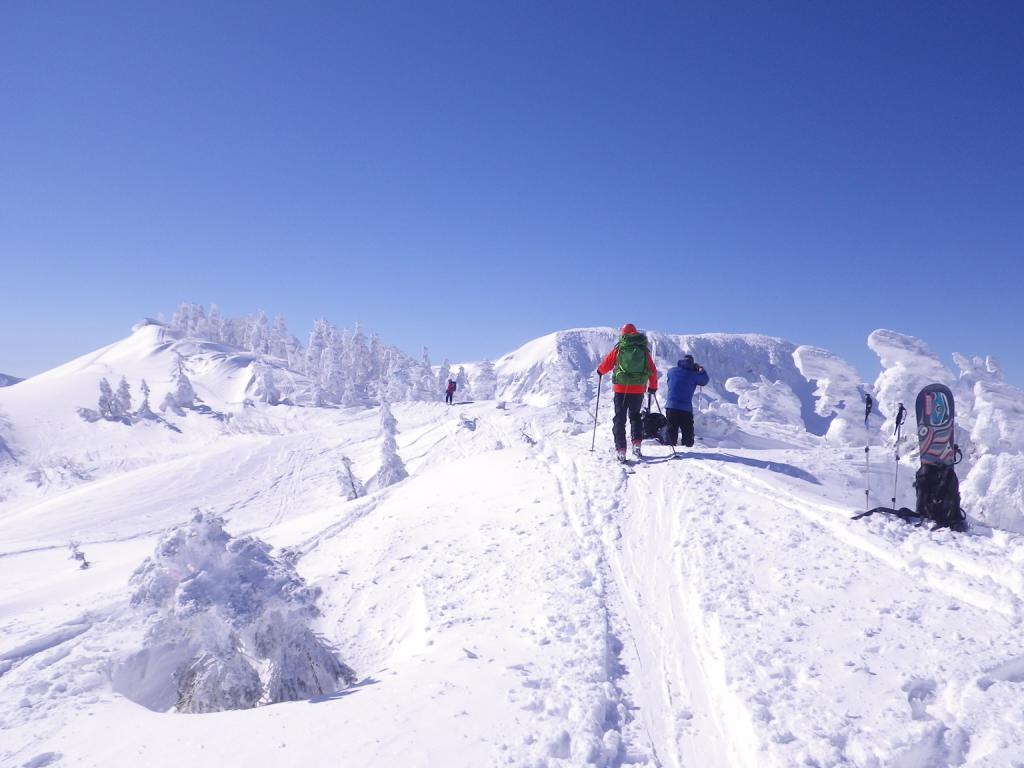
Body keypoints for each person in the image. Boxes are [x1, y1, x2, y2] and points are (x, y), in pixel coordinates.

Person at [596, 324, 658, 461]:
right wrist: (652, 386)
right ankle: (636, 444)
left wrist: (600, 371)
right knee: (635, 417)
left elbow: (607, 363)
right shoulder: (643, 350)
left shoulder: (620, 348)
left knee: (620, 419)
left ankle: (621, 450)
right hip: (638, 389)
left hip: (621, 388)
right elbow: (652, 370)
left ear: (623, 334)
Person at [664, 355, 709, 447]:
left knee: (671, 428)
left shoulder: (672, 371)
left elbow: (669, 377)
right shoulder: (693, 375)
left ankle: (670, 447)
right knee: (687, 430)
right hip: (685, 408)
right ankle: (688, 449)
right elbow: (705, 380)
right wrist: (701, 370)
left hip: (671, 406)